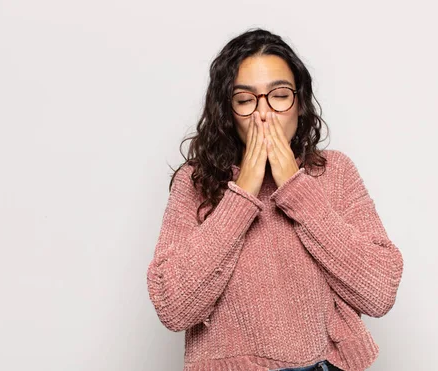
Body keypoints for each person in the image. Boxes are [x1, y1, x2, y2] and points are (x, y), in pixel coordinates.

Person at [146, 28, 404, 371]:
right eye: (245, 99)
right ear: (227, 112)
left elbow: (379, 292)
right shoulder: (194, 182)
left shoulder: (335, 173)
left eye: (279, 95)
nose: (263, 114)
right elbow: (174, 307)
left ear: (299, 104)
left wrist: (295, 188)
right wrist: (243, 193)